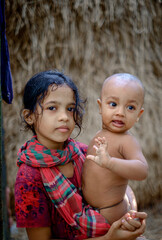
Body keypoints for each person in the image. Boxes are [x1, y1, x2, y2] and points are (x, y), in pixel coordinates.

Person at [15, 70, 147, 240]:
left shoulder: (84, 152)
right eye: (52, 108)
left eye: (70, 108)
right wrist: (109, 238)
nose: (64, 117)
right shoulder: (29, 178)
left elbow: (123, 188)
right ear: (29, 116)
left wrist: (130, 215)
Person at [82, 73, 148, 228]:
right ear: (100, 106)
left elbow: (142, 170)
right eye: (113, 104)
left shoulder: (127, 141)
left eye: (130, 107)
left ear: (139, 115)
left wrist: (110, 163)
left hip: (110, 214)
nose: (120, 112)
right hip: (89, 210)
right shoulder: (100, 134)